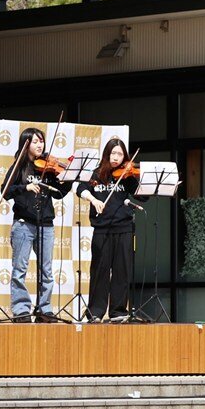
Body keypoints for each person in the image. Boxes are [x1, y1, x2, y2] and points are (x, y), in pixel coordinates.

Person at [1, 127, 72, 323]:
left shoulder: (48, 167)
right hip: (23, 224)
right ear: (26, 144)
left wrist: (68, 179)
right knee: (19, 270)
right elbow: (5, 191)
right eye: (35, 141)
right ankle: (21, 310)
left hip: (46, 224)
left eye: (41, 141)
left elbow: (58, 194)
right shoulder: (19, 166)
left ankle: (44, 309)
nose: (40, 145)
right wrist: (25, 187)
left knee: (46, 271)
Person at [76, 138, 147, 323]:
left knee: (122, 271)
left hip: (124, 228)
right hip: (102, 229)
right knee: (99, 271)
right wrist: (93, 200)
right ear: (107, 154)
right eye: (113, 153)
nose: (116, 158)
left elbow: (143, 197)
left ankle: (118, 311)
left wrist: (139, 178)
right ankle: (95, 312)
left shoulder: (127, 176)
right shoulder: (97, 174)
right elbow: (80, 189)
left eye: (120, 154)